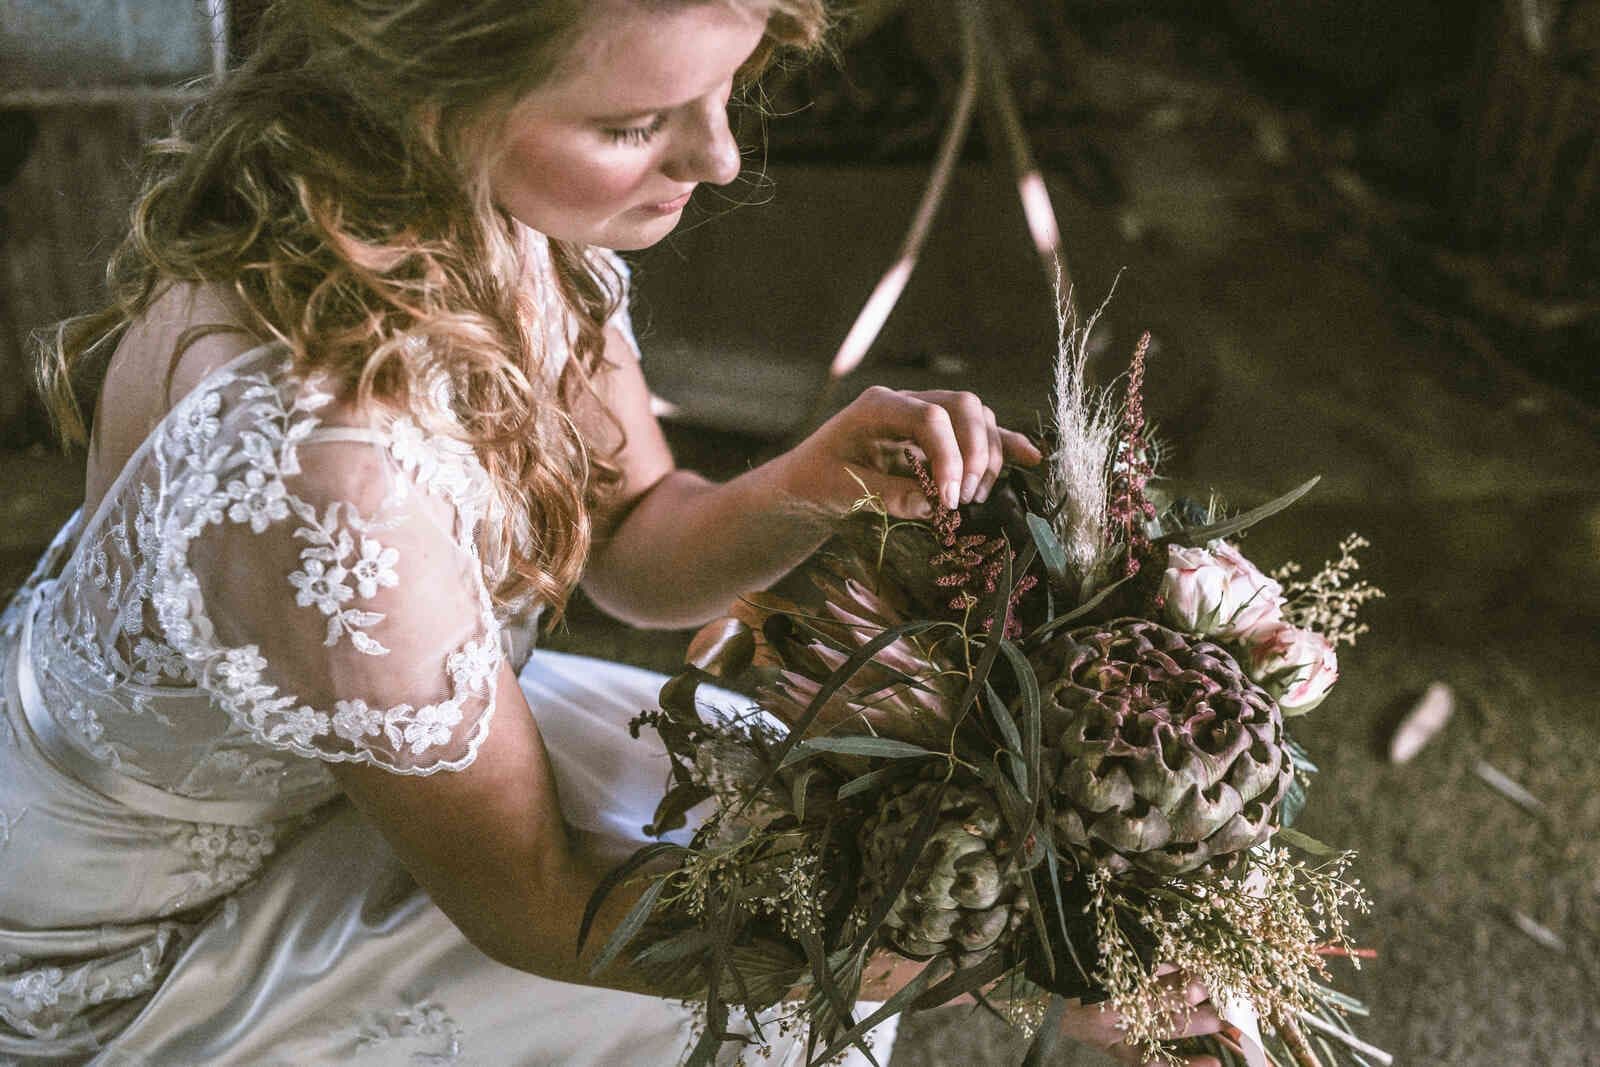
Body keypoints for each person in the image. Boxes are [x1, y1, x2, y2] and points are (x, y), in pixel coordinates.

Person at [2, 0, 1224, 1063]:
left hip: (362, 765)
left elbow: (638, 542)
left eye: (723, 90)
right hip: (140, 931)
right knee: (758, 965)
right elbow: (542, 906)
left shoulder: (472, 208)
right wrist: (1005, 931)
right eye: (637, 124)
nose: (721, 155)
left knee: (783, 804)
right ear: (438, 99)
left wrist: (820, 473)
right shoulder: (330, 478)